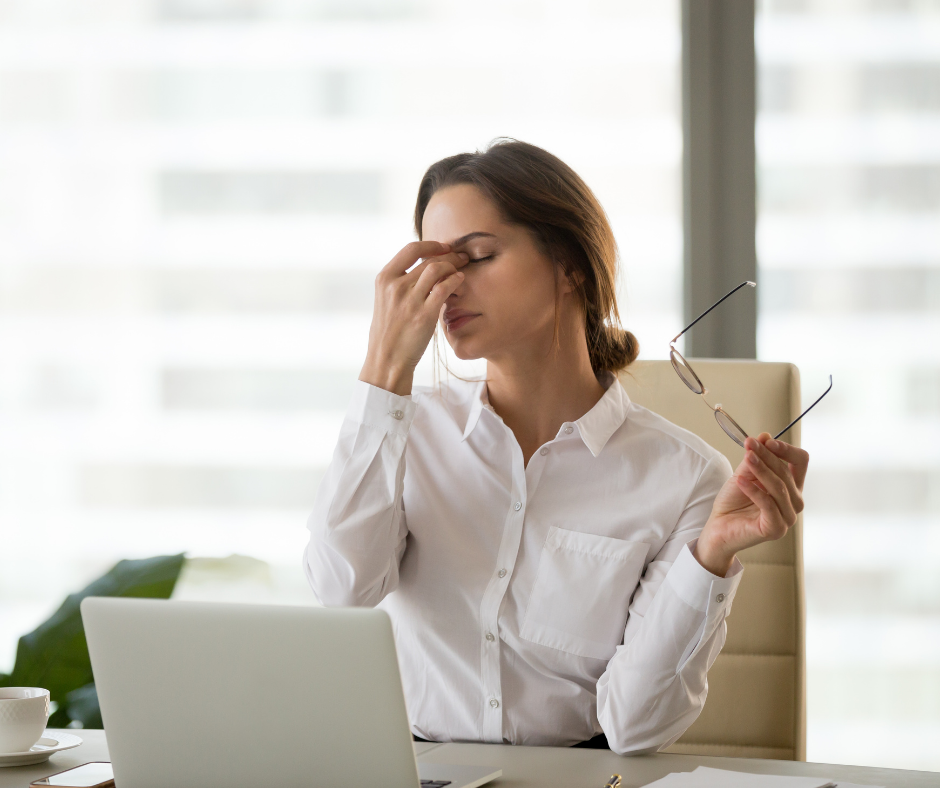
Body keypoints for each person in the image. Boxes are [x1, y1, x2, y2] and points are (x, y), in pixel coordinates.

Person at [303, 139, 809, 755]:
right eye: (434, 268)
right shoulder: (403, 430)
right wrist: (383, 371)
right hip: (416, 769)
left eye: (478, 256)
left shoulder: (686, 477)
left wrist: (709, 559)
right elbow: (342, 588)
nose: (446, 291)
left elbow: (634, 727)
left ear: (570, 264)